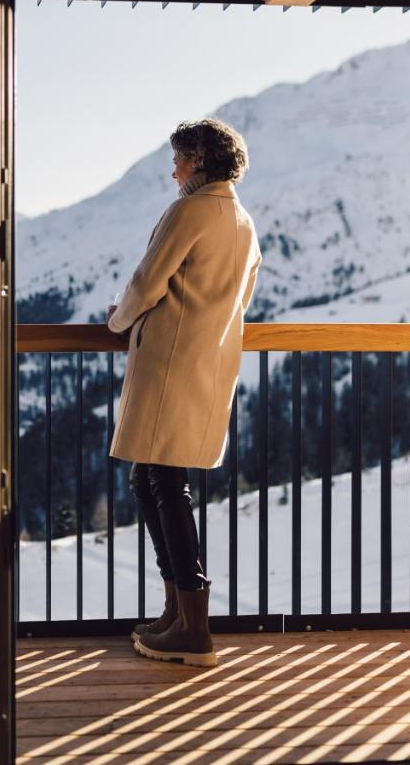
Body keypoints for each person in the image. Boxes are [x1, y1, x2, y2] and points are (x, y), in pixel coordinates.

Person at [107, 119, 261, 667]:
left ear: (198, 161)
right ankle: (178, 613)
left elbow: (148, 282)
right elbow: (241, 300)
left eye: (178, 160)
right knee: (155, 479)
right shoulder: (243, 222)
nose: (174, 170)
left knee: (161, 482)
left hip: (169, 361)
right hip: (208, 362)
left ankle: (192, 627)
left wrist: (117, 323)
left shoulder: (189, 211)